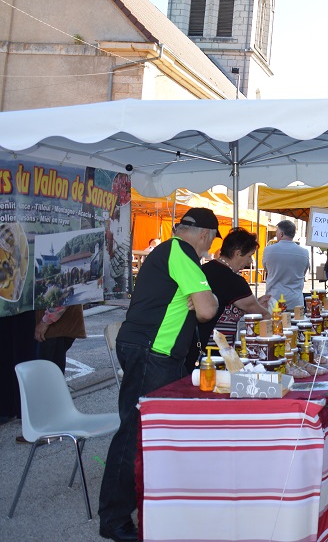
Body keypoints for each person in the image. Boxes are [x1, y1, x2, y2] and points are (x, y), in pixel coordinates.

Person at [98, 208, 219, 542]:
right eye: (210, 242)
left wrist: (204, 298)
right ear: (206, 235)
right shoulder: (181, 252)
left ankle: (151, 502)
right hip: (153, 351)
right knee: (133, 433)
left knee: (151, 433)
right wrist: (205, 298)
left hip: (155, 350)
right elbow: (207, 308)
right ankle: (114, 518)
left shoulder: (170, 251)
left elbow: (201, 304)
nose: (209, 248)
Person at [194, 227, 270, 357]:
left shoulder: (204, 269)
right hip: (215, 352)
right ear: (237, 253)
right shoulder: (234, 281)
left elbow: (234, 301)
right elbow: (261, 313)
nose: (250, 261)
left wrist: (255, 303)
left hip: (195, 345)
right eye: (249, 255)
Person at [262, 219, 309, 310]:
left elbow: (267, 269)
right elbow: (303, 272)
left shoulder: (268, 250)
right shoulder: (304, 252)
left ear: (281, 234)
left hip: (274, 300)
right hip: (295, 301)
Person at [34, 304, 86, 373]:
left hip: (54, 328)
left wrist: (45, 321)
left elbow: (62, 299)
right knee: (47, 371)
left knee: (48, 373)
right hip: (53, 328)